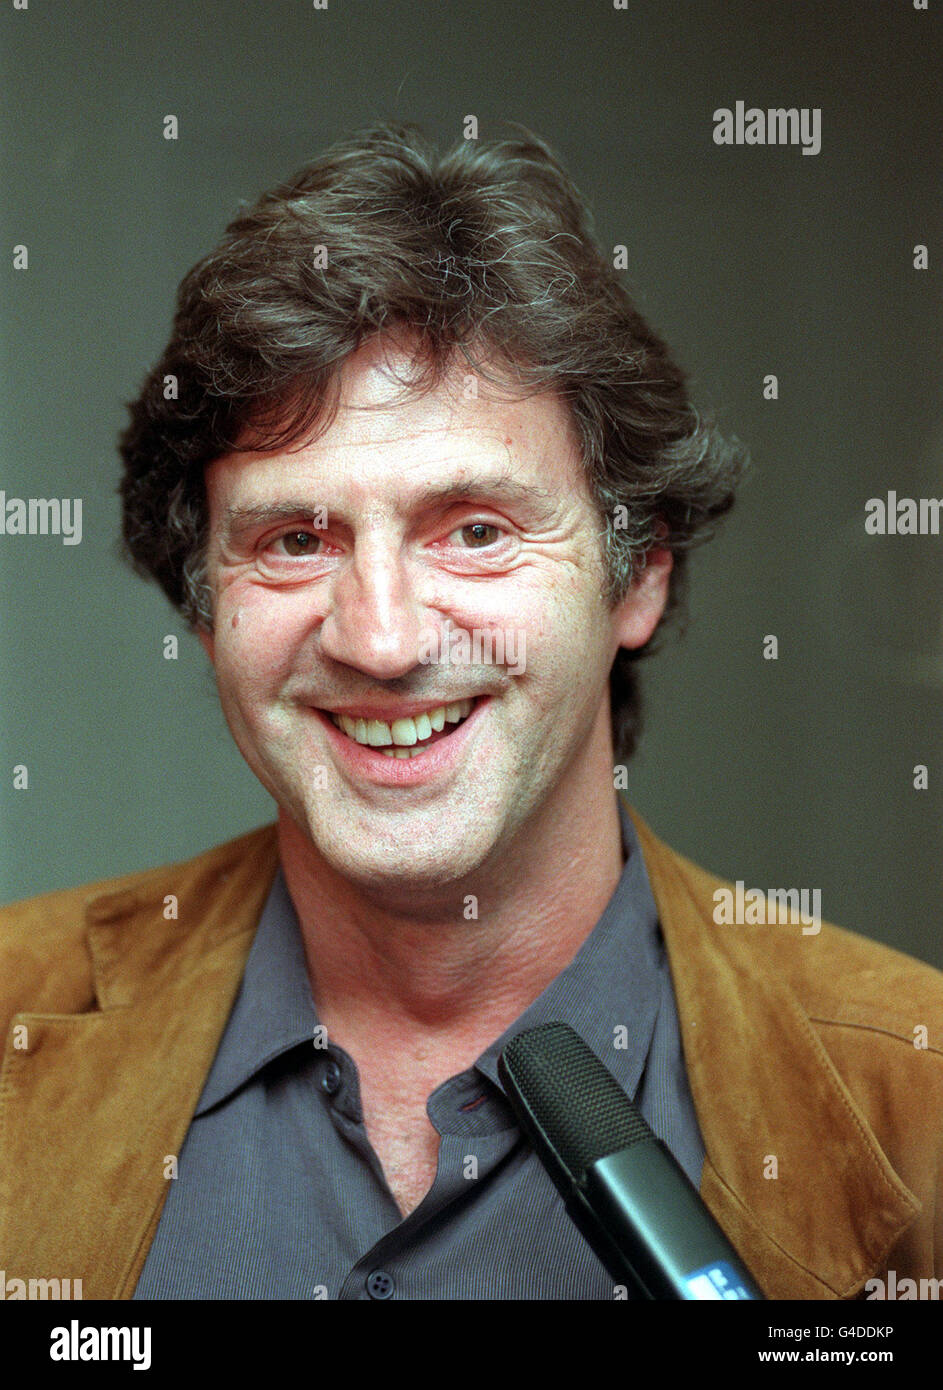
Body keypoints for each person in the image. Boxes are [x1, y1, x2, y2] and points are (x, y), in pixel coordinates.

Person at [1, 122, 941, 1303]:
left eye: (477, 530)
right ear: (204, 607)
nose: (382, 640)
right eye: (295, 541)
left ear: (636, 573)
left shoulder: (917, 1090)